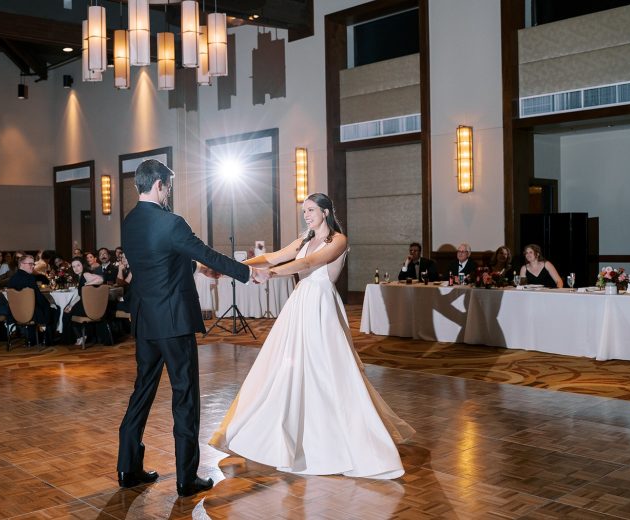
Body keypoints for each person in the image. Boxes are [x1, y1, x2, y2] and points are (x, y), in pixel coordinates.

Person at [210, 193, 415, 479]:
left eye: (310, 210)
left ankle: (340, 442)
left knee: (326, 371)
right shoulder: (304, 239)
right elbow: (273, 256)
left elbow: (309, 264)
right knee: (285, 369)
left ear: (326, 211)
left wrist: (272, 275)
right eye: (304, 211)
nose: (306, 215)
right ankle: (284, 435)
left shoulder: (338, 241)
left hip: (321, 306)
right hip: (299, 305)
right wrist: (232, 267)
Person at [116, 159, 266, 498]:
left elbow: (159, 261)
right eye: (168, 186)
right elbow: (207, 252)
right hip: (174, 321)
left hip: (145, 320)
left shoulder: (130, 222)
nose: (168, 192)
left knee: (142, 392)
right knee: (185, 397)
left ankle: (128, 468)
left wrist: (196, 267)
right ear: (159, 186)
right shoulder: (171, 222)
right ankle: (187, 478)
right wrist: (246, 272)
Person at [8, 254, 59, 345]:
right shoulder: (29, 278)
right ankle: (47, 340)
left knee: (35, 307)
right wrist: (50, 304)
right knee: (54, 309)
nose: (33, 266)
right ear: (22, 264)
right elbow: (38, 297)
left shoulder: (13, 278)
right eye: (30, 264)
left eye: (33, 264)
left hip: (15, 313)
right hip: (30, 313)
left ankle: (33, 339)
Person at [61, 256, 104, 346]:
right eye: (74, 266)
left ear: (83, 265)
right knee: (67, 309)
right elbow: (79, 295)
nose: (76, 268)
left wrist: (86, 284)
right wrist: (71, 305)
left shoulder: (85, 274)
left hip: (89, 305)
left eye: (78, 265)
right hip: (85, 303)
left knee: (67, 313)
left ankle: (79, 336)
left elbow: (100, 279)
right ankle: (80, 336)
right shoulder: (80, 276)